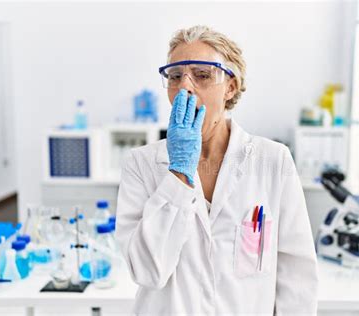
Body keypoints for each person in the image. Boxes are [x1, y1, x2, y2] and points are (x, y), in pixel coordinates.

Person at [115, 25, 318, 315]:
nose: (185, 86)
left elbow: (297, 275)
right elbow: (147, 271)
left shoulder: (273, 160)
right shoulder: (141, 164)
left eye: (202, 74)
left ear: (231, 86)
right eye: (175, 76)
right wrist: (179, 175)